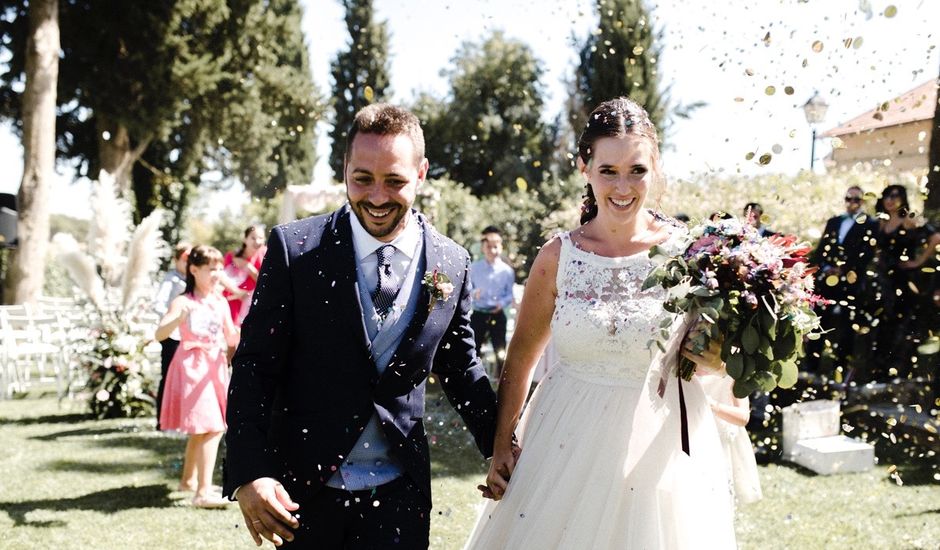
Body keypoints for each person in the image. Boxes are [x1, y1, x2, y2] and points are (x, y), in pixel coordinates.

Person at [223, 103, 499, 548]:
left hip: (400, 496)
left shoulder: (452, 261)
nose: (376, 196)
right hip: (303, 493)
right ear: (345, 168)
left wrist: (499, 447)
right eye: (362, 179)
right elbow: (255, 366)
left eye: (395, 181)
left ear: (422, 172)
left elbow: (462, 369)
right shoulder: (295, 250)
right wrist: (250, 471)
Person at [464, 97, 735, 549]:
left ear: (657, 168)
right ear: (584, 168)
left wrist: (718, 360)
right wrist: (502, 445)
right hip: (563, 439)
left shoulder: (690, 255)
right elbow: (521, 358)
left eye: (637, 170)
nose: (622, 186)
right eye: (608, 170)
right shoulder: (556, 258)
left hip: (660, 442)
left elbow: (718, 359)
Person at [156, 245, 240, 508]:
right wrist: (176, 320)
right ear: (194, 270)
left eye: (218, 268)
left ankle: (188, 480)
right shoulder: (183, 301)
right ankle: (203, 493)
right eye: (210, 269)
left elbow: (231, 337)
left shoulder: (220, 301)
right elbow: (160, 334)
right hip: (192, 368)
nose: (217, 274)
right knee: (211, 427)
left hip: (215, 368)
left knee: (203, 428)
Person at [805, 185, 877, 381]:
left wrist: (843, 269)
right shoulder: (834, 221)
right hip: (827, 281)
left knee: (847, 326)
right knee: (818, 321)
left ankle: (841, 370)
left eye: (856, 199)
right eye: (848, 198)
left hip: (851, 282)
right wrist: (825, 267)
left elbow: (866, 253)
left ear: (862, 202)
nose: (852, 202)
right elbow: (821, 250)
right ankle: (811, 368)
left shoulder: (870, 223)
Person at [869, 185, 925, 381]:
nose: (890, 199)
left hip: (902, 280)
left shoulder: (909, 220)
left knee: (900, 324)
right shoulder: (881, 222)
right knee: (882, 324)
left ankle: (899, 372)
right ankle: (880, 371)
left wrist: (918, 261)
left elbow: (935, 237)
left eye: (895, 196)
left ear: (902, 198)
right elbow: (878, 249)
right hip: (884, 279)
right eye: (887, 196)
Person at [697, 372, 762, 506]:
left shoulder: (733, 366)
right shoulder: (680, 358)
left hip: (718, 445)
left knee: (716, 501)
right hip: (688, 440)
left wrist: (712, 405)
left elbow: (743, 417)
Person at [153, 241, 191, 430]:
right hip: (171, 334)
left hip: (187, 335)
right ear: (177, 259)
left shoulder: (192, 279)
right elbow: (159, 303)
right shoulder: (171, 279)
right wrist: (172, 317)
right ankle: (162, 420)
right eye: (184, 259)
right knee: (168, 376)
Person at [470, 225, 515, 376]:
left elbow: (509, 294)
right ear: (483, 248)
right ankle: (473, 380)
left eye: (495, 246)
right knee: (473, 350)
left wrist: (501, 303)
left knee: (500, 350)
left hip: (497, 314)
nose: (492, 250)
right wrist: (473, 293)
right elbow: (467, 290)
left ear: (501, 248)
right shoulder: (474, 268)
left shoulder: (507, 271)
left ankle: (500, 382)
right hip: (479, 314)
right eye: (488, 247)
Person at [223, 225, 267, 326]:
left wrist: (248, 267)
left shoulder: (266, 256)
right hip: (231, 303)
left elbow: (266, 283)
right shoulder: (232, 256)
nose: (257, 241)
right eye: (253, 238)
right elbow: (221, 278)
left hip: (251, 306)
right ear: (245, 239)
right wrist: (237, 292)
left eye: (261, 238)